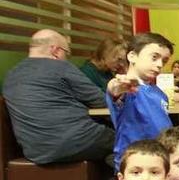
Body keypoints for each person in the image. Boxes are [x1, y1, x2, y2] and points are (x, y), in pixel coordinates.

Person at [3, 29, 114, 165]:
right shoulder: (60, 66)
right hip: (77, 140)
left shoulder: (11, 75)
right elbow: (101, 101)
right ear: (56, 50)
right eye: (67, 53)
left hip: (35, 151)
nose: (67, 58)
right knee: (130, 139)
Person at [105, 33, 175, 170]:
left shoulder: (160, 93)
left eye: (164, 61)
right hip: (135, 165)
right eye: (154, 57)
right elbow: (115, 89)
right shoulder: (128, 88)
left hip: (159, 161)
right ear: (132, 56)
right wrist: (117, 86)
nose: (160, 64)